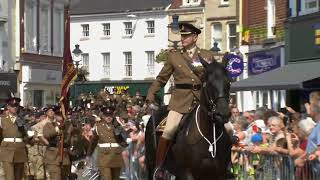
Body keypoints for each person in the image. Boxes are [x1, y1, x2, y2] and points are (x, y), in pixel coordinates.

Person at [146, 22, 215, 176]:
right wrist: (151, 95)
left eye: (186, 36)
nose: (182, 38)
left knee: (228, 128)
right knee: (169, 130)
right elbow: (161, 79)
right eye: (182, 36)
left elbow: (215, 77)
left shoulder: (207, 55)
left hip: (202, 100)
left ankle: (225, 164)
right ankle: (159, 167)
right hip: (181, 101)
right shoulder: (174, 56)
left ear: (195, 37)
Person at [93, 107, 127, 180]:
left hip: (116, 156)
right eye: (106, 115)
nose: (108, 117)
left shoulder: (117, 126)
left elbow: (124, 140)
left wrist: (118, 127)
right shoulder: (98, 127)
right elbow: (93, 141)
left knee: (116, 178)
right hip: (104, 157)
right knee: (106, 178)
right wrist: (88, 155)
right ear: (103, 116)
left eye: (110, 115)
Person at [0, 97, 28, 180]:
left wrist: (29, 138)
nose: (15, 107)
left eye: (16, 105)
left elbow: (27, 136)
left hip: (20, 149)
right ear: (8, 107)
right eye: (12, 105)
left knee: (18, 177)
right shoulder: (1, 119)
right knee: (10, 177)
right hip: (7, 150)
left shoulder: (22, 120)